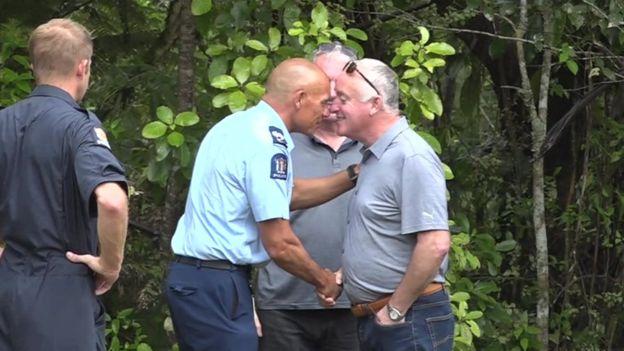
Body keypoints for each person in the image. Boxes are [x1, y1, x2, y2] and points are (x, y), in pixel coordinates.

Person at [165, 58, 357, 351]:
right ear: (299, 99)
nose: (327, 110)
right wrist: (324, 280)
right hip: (217, 282)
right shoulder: (268, 144)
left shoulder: (238, 125)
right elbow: (280, 244)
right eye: (323, 102)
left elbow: (284, 195)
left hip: (199, 277)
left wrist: (353, 175)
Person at [0, 18, 129, 351]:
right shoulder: (79, 128)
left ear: (34, 66)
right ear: (82, 67)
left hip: (9, 283)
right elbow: (112, 200)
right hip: (63, 291)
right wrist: (110, 264)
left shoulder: (3, 122)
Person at [329, 58, 454, 351]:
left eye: (343, 98)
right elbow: (382, 233)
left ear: (374, 103)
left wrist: (395, 311)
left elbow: (435, 243)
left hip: (409, 321)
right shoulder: (374, 157)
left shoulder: (410, 156)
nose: (333, 107)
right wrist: (346, 273)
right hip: (383, 321)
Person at [254, 43, 361, 351]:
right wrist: (241, 298)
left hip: (355, 305)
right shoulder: (277, 141)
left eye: (337, 82)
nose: (329, 91)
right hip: (282, 307)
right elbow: (239, 217)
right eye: (321, 79)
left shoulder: (371, 145)